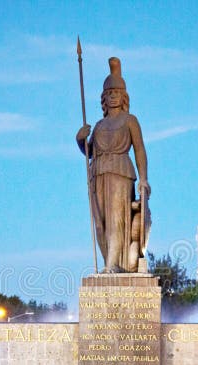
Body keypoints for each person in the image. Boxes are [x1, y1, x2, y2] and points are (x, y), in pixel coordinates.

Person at [77, 57, 151, 273]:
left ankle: (112, 265)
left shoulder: (130, 120)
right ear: (104, 97)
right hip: (98, 172)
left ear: (124, 96)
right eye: (109, 93)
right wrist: (80, 139)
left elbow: (139, 150)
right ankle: (109, 263)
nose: (112, 96)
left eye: (117, 92)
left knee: (116, 219)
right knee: (100, 223)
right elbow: (89, 152)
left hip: (120, 171)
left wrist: (143, 178)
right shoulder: (99, 125)